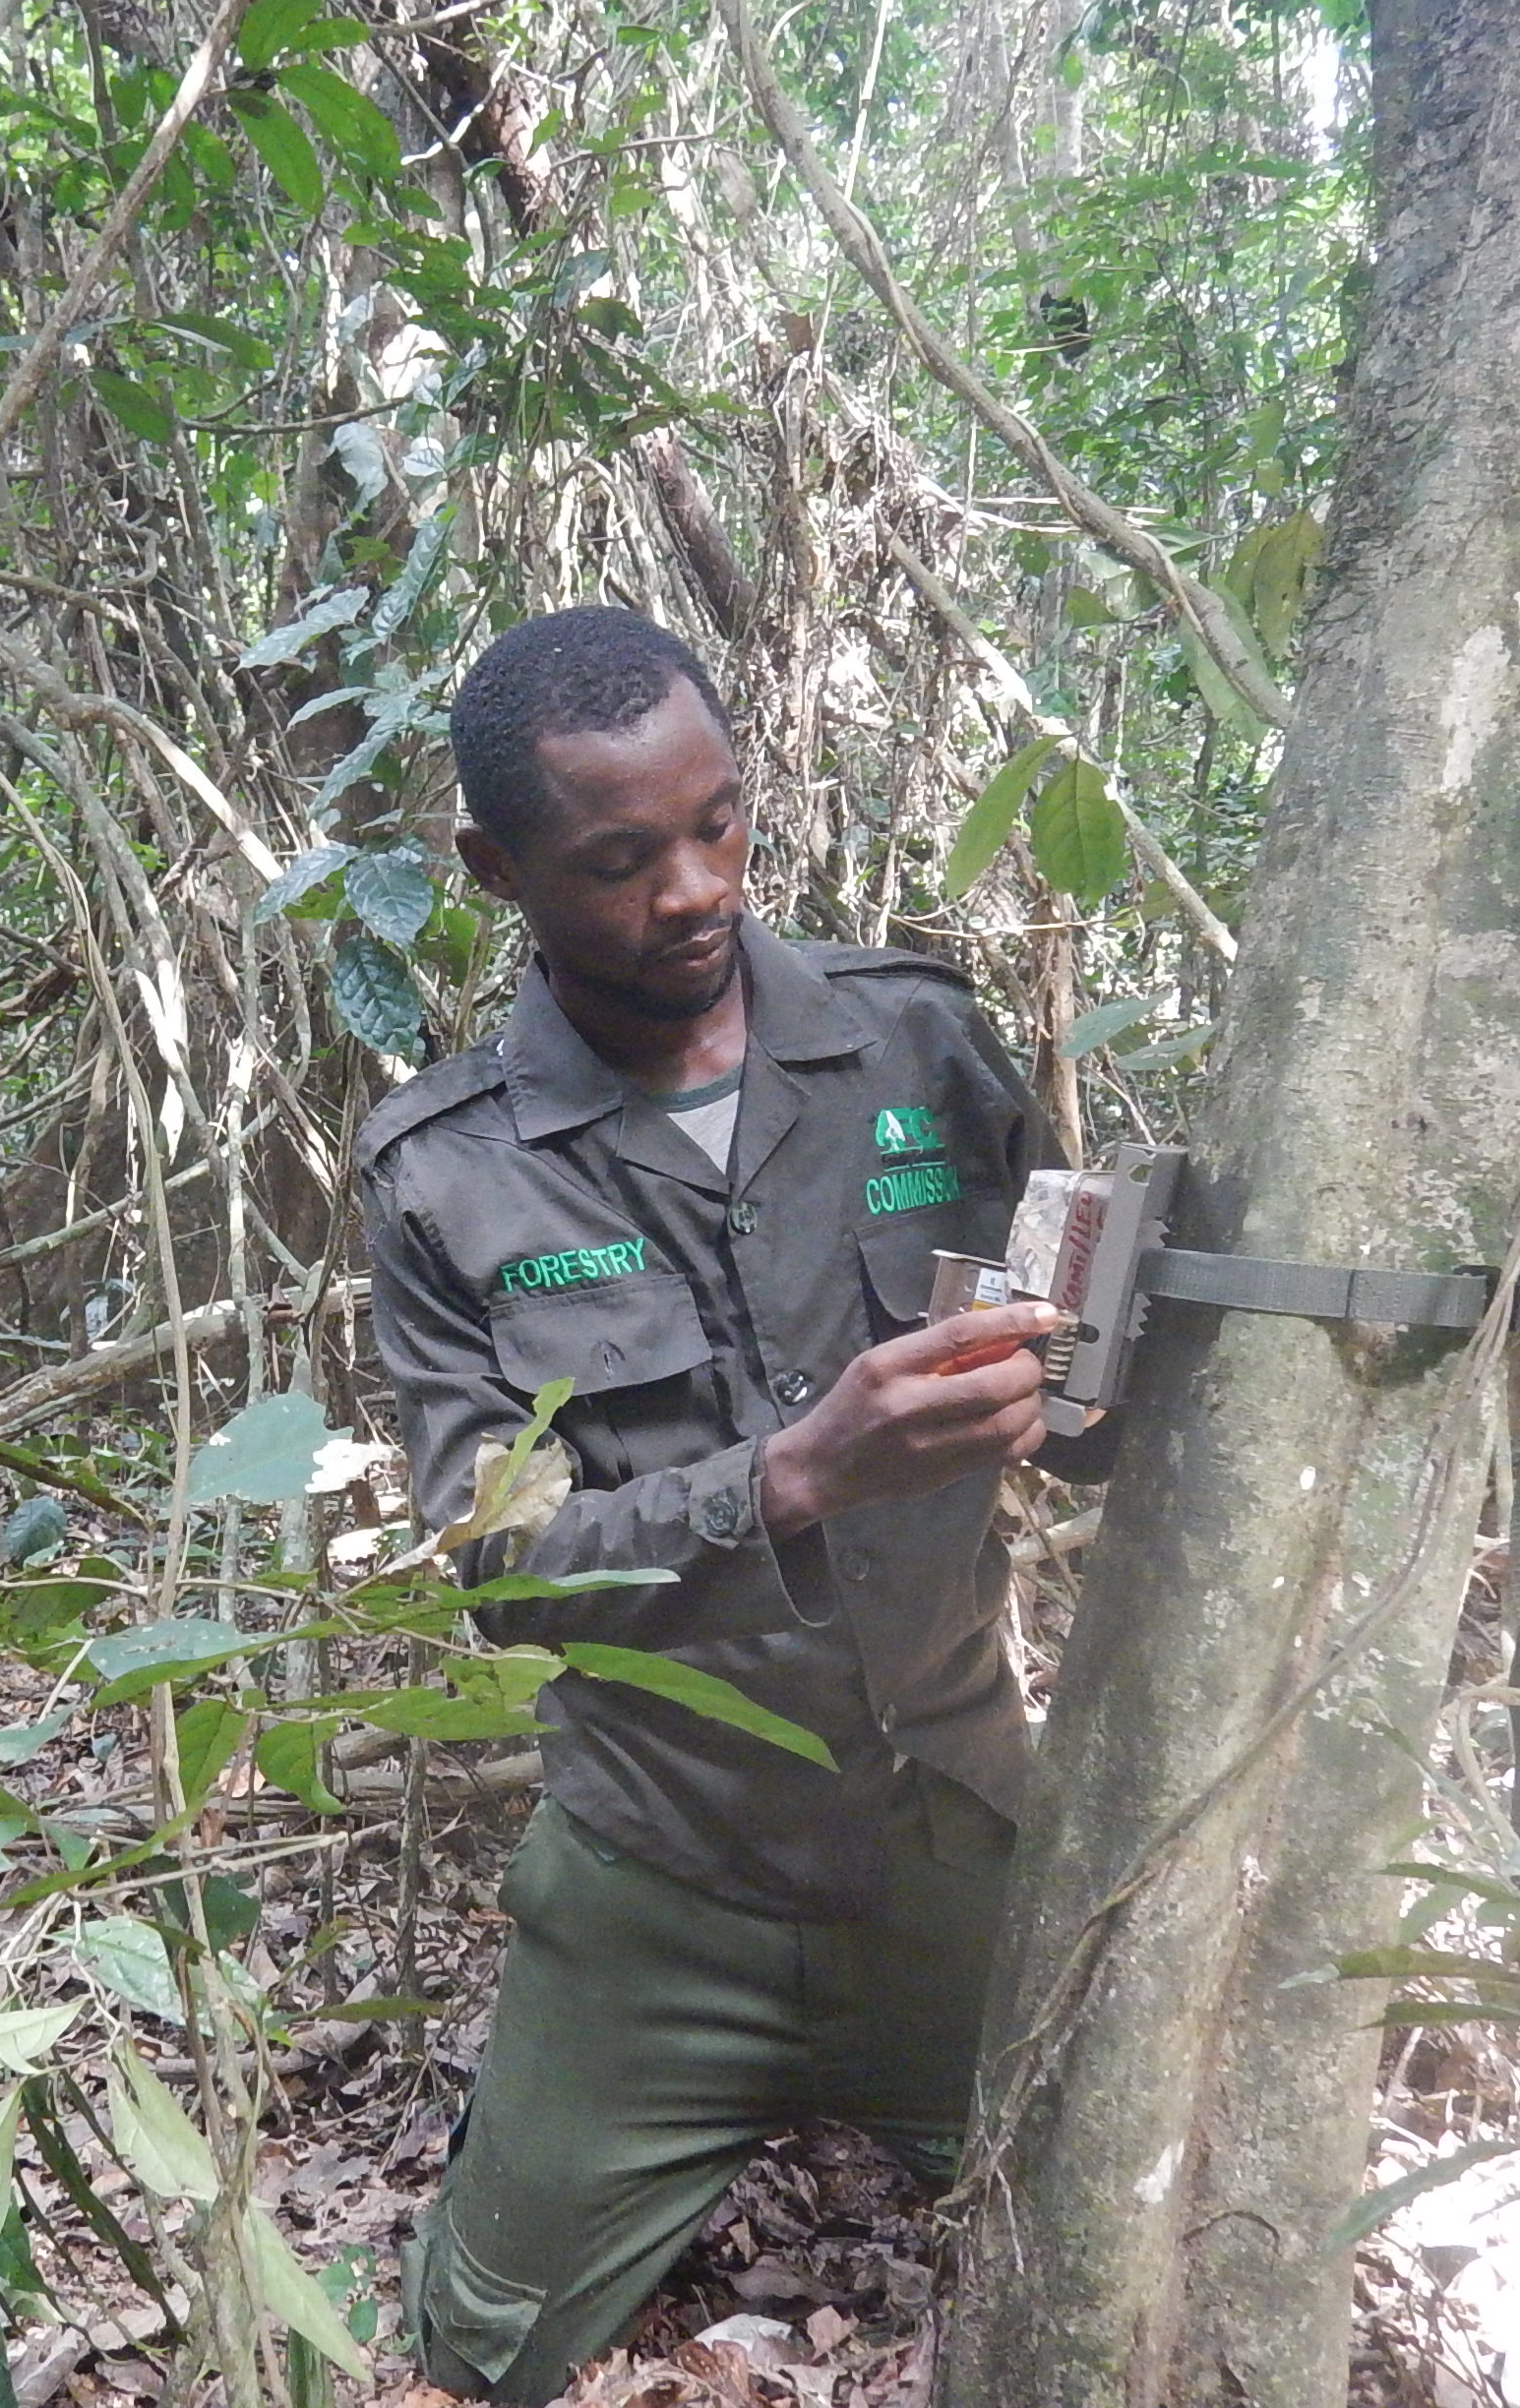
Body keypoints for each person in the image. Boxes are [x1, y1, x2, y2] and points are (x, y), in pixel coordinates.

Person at [360, 605, 1109, 2403]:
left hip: (955, 1831)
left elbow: (1086, 1384)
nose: (692, 890)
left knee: (1122, 2246)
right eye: (618, 861)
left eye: (719, 826)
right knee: (479, 2354)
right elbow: (505, 1576)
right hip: (661, 1880)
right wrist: (791, 1479)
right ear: (496, 869)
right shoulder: (447, 1176)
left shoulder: (922, 1045)